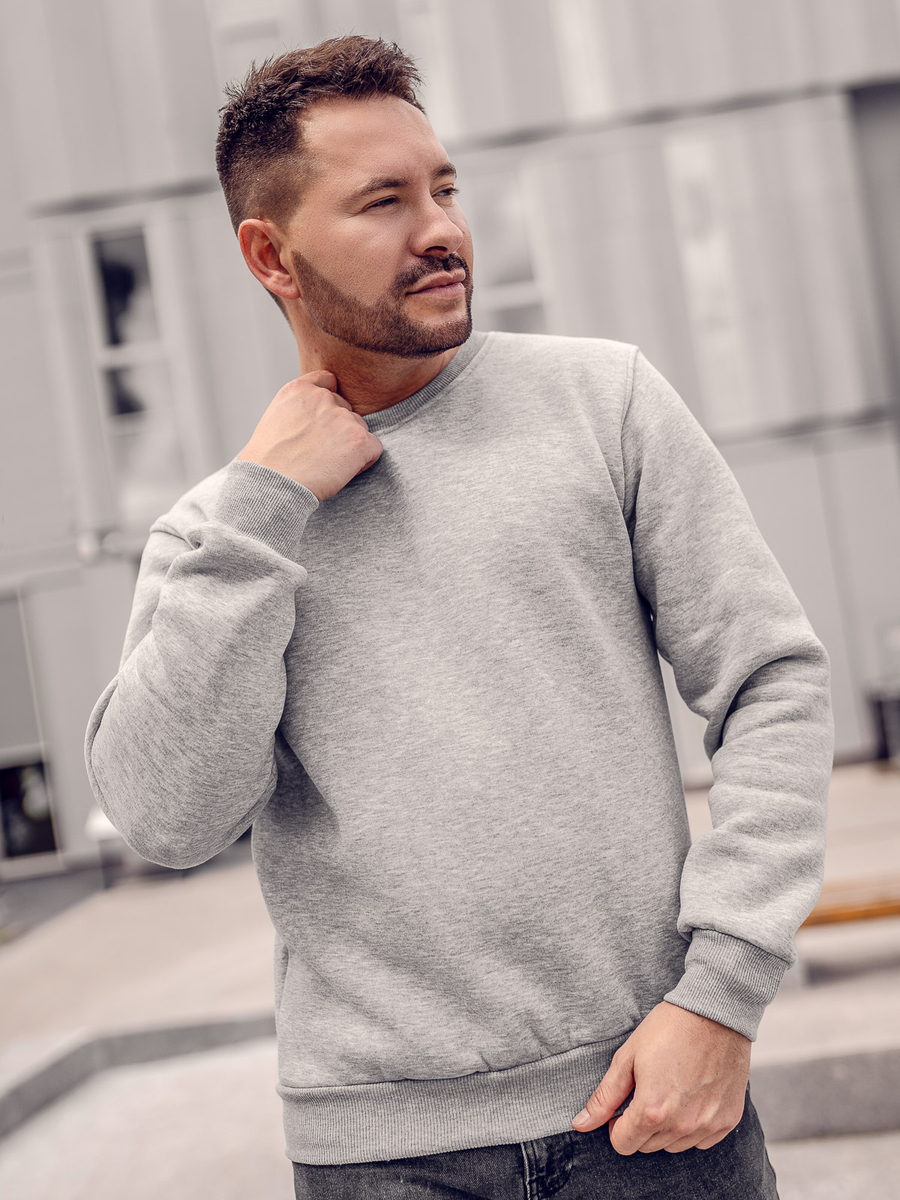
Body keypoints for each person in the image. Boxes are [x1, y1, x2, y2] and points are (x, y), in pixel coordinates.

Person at [84, 34, 833, 1199]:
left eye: (443, 188)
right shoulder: (217, 535)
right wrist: (266, 509)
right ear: (271, 255)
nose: (440, 228)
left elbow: (772, 682)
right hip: (381, 1156)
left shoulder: (604, 405)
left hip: (654, 1113)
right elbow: (167, 819)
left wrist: (722, 998)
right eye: (382, 201)